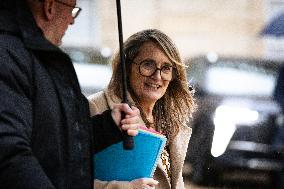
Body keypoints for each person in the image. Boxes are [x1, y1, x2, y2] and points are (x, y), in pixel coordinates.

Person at [0, 1, 141, 189]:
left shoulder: (43, 60)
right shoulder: (8, 56)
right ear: (49, 7)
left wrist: (109, 125)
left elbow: (57, 141)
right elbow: (9, 154)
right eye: (72, 11)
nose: (72, 22)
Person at [89, 29, 196, 189]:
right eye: (148, 64)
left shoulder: (170, 121)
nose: (157, 76)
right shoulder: (95, 108)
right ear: (126, 68)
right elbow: (66, 178)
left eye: (166, 68)